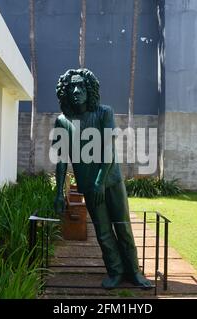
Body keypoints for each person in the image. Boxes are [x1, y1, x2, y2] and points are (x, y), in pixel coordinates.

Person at [52, 68, 152, 290]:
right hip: (88, 186)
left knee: (123, 227)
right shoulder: (62, 121)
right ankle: (116, 271)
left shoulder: (104, 112)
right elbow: (60, 159)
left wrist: (99, 181)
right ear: (65, 93)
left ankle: (134, 272)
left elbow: (108, 149)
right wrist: (59, 193)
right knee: (103, 233)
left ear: (89, 89)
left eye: (80, 86)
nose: (76, 91)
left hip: (111, 181)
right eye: (71, 87)